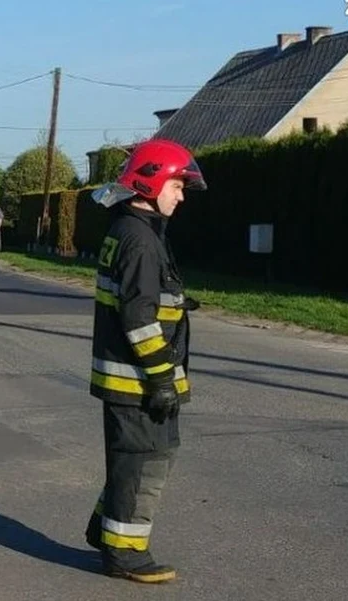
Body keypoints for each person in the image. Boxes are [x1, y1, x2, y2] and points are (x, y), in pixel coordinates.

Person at [82, 138, 205, 584]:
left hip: (132, 380)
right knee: (143, 462)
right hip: (137, 382)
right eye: (177, 184)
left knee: (139, 460)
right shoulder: (140, 240)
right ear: (151, 183)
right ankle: (126, 554)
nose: (182, 194)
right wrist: (162, 381)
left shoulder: (133, 231)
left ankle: (106, 531)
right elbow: (138, 319)